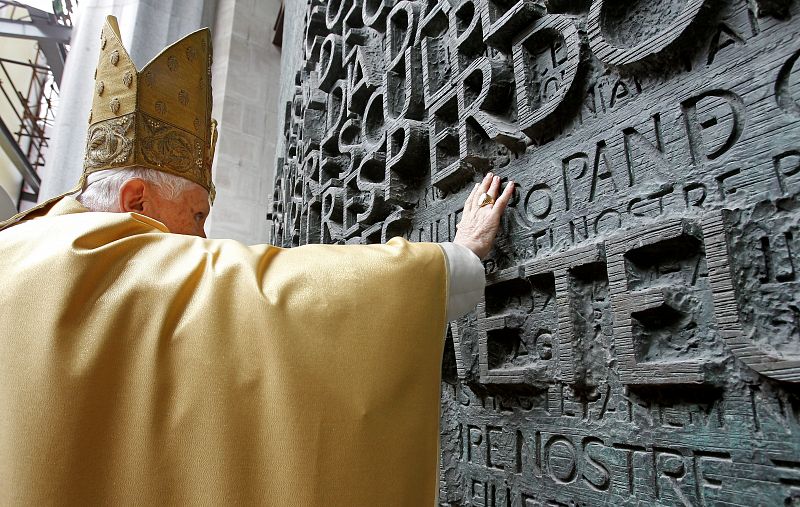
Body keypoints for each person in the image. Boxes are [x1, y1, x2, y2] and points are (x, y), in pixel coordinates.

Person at [0, 17, 514, 506]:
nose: (203, 234)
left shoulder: (20, 250)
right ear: (136, 200)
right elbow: (279, 300)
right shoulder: (106, 262)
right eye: (197, 213)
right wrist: (456, 259)